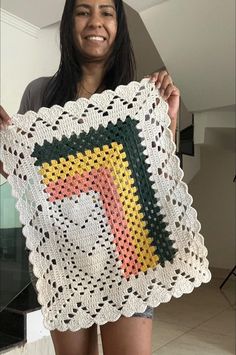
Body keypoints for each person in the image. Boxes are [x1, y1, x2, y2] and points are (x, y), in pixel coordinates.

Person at [0, 0, 180, 354]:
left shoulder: (137, 98)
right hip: (64, 258)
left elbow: (158, 188)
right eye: (83, 11)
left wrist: (168, 123)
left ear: (118, 25)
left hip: (131, 254)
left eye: (106, 12)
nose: (94, 21)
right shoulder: (40, 93)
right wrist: (6, 154)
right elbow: (29, 182)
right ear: (69, 23)